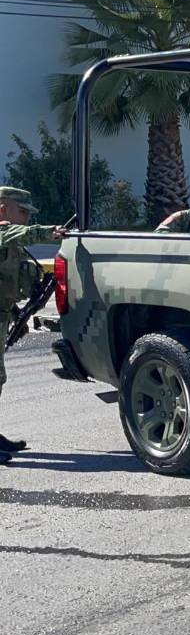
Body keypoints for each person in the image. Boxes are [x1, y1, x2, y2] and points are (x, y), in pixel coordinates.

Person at [0, 187, 66, 464]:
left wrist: (15, 313)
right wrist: (51, 232)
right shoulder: (5, 232)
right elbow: (23, 233)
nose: (26, 217)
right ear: (3, 209)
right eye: (22, 211)